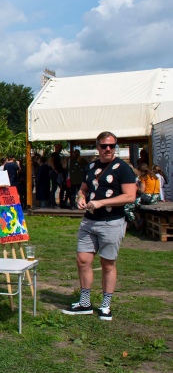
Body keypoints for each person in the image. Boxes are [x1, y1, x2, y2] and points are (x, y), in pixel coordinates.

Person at [62, 131, 136, 321]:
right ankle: (85, 302)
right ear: (98, 147)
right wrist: (81, 198)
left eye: (112, 146)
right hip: (89, 220)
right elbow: (84, 188)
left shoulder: (122, 168)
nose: (108, 149)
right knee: (83, 260)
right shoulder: (92, 166)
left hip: (111, 222)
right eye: (104, 146)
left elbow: (130, 195)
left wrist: (102, 202)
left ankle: (105, 305)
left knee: (108, 263)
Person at [51, 143, 68, 208]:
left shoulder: (58, 155)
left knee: (62, 187)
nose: (60, 150)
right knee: (55, 187)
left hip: (59, 172)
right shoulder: (54, 154)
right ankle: (53, 203)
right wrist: (54, 169)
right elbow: (50, 160)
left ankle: (61, 202)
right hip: (56, 173)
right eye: (59, 148)